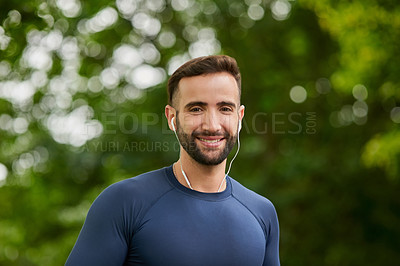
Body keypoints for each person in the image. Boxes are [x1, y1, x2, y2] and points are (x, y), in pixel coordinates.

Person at [66, 55, 280, 265]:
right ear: (172, 118)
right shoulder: (124, 202)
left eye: (225, 109)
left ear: (239, 118)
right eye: (196, 109)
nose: (212, 125)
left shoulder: (262, 212)